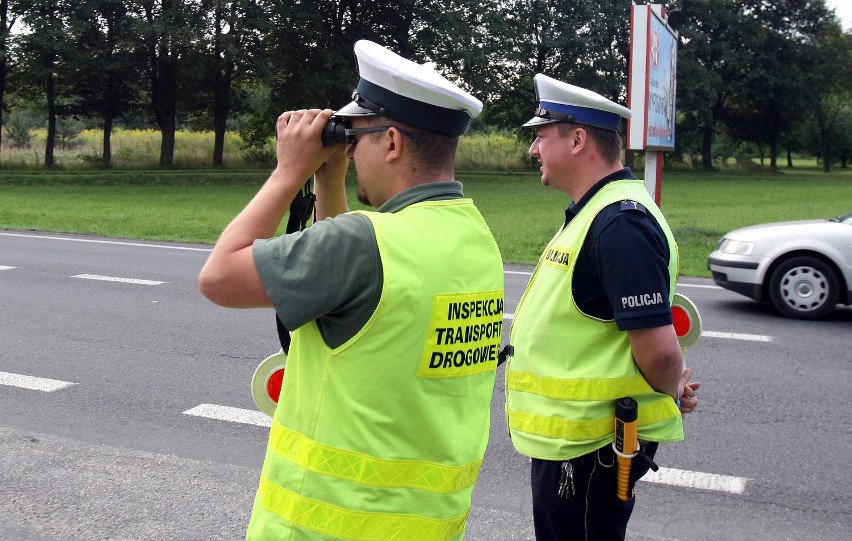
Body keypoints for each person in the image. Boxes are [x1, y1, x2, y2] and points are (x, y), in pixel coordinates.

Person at [198, 40, 504, 540]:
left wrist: (290, 170)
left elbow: (219, 279)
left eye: (355, 138)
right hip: (423, 525)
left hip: (329, 525)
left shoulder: (364, 242)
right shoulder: (472, 236)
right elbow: (348, 293)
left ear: (392, 143)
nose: (350, 151)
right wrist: (330, 179)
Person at [503, 74, 700, 540]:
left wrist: (672, 388)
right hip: (579, 446)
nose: (533, 149)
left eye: (540, 135)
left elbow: (660, 350)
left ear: (577, 139)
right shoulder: (599, 211)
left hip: (593, 451)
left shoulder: (620, 223)